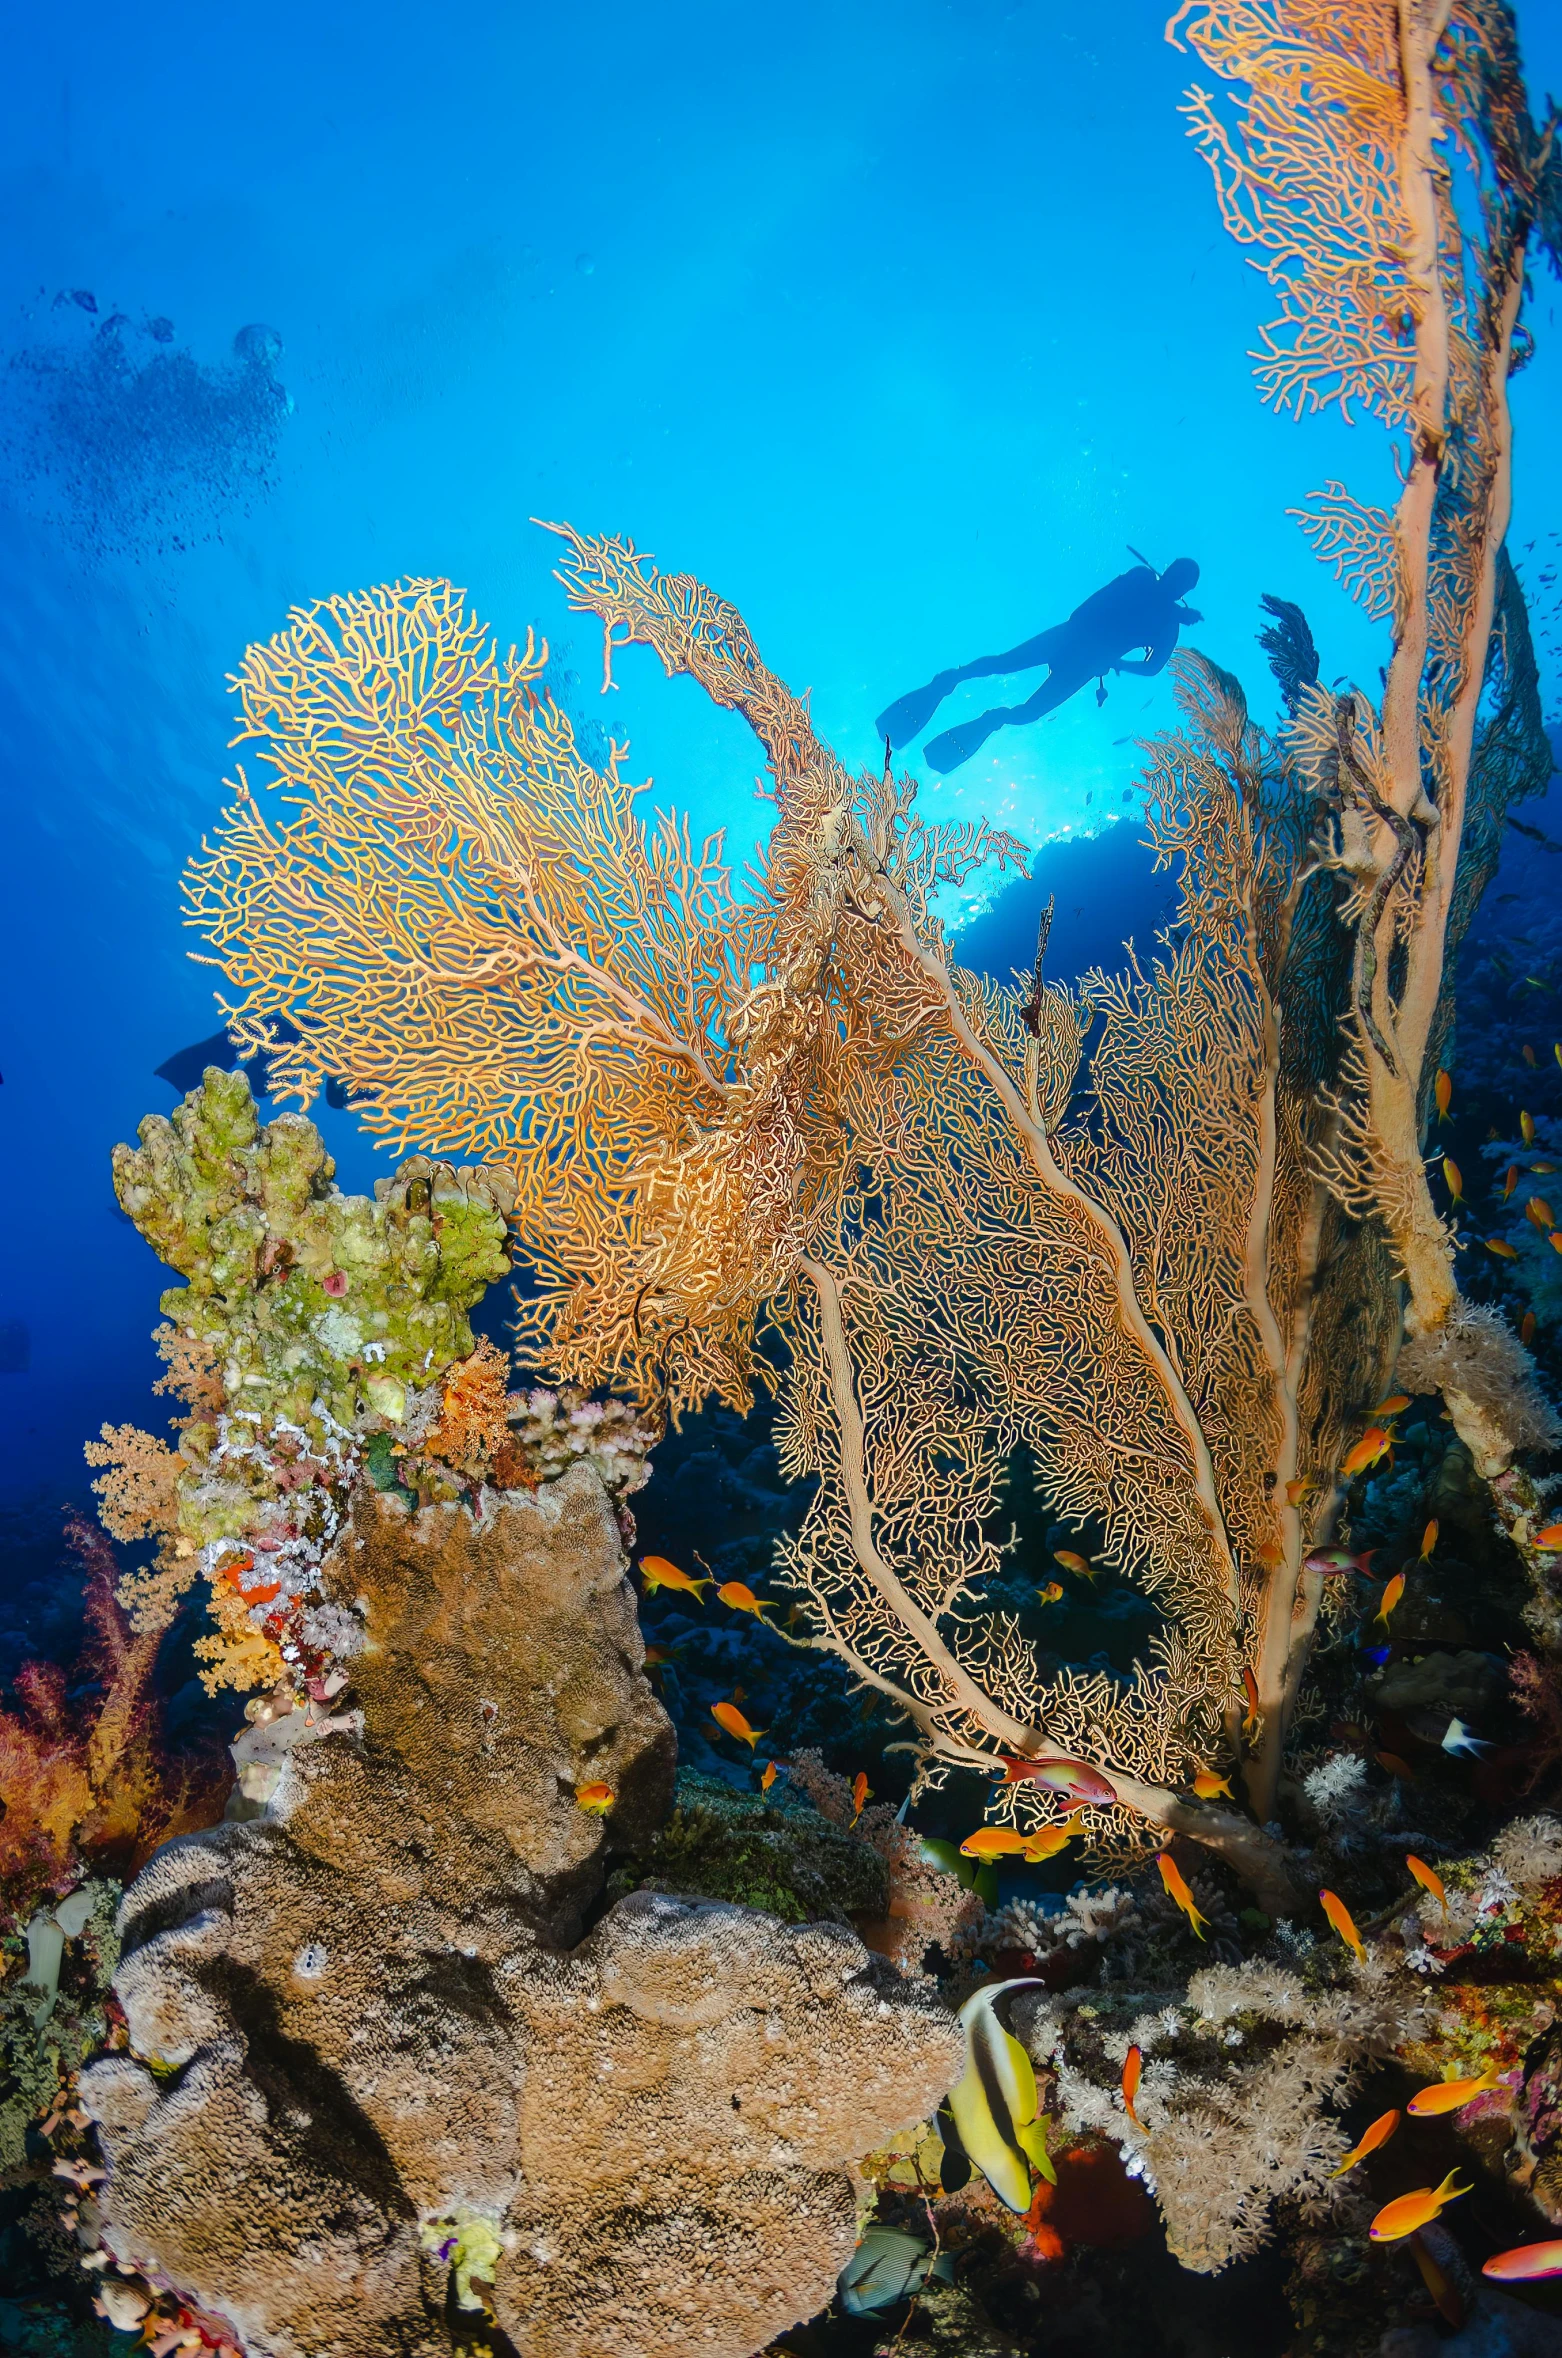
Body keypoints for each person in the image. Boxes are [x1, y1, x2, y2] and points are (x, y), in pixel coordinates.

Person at [876, 557, 1202, 774]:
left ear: (1185, 588)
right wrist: (1173, 615)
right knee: (1003, 665)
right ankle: (950, 681)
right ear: (1169, 570)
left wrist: (1119, 661)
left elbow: (1152, 668)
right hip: (1073, 640)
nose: (1175, 581)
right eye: (1176, 574)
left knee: (1025, 707)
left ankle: (990, 716)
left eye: (1181, 581)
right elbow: (1142, 604)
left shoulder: (1167, 621)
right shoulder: (1147, 584)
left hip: (1079, 654)